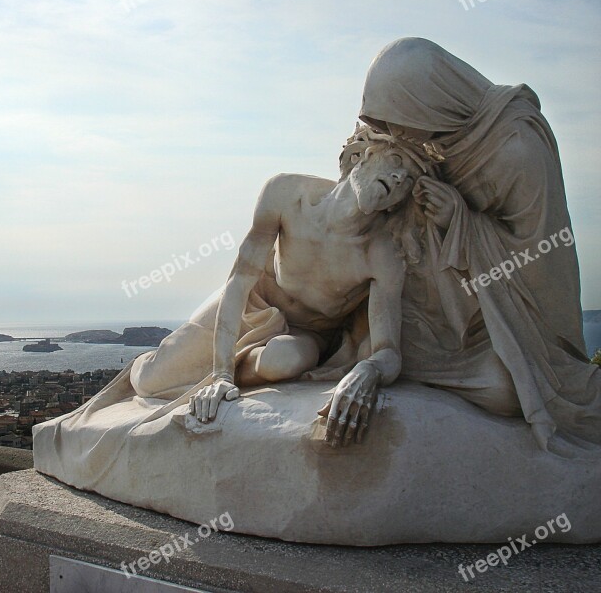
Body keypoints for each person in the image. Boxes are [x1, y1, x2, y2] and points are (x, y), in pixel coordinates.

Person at [359, 37, 601, 454]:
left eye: (400, 119)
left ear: (433, 99)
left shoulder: (517, 149)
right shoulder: (430, 134)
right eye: (387, 121)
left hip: (512, 314)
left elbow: (541, 260)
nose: (394, 133)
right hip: (439, 299)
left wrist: (460, 221)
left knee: (511, 384)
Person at [127, 127, 434, 447]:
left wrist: (369, 371)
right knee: (149, 381)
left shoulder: (383, 254)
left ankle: (232, 371)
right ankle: (182, 366)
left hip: (306, 333)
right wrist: (220, 376)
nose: (399, 177)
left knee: (285, 359)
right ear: (368, 156)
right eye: (396, 161)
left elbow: (388, 350)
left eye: (409, 178)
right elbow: (239, 282)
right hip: (251, 303)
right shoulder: (287, 193)